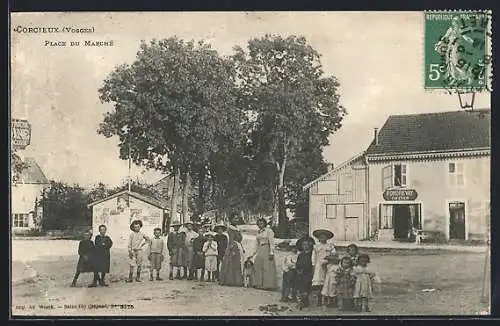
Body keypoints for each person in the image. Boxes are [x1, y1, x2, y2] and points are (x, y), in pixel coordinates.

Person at [251, 218, 277, 291]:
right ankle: (258, 283)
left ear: (265, 224)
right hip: (261, 249)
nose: (260, 225)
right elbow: (256, 244)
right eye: (259, 224)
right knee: (258, 264)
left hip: (267, 248)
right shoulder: (258, 232)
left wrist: (271, 252)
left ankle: (268, 284)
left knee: (267, 266)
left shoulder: (269, 231)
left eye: (262, 223)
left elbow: (272, 242)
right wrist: (253, 253)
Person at [311, 229, 336, 306]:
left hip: (328, 265)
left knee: (328, 282)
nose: (323, 238)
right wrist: (313, 265)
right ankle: (319, 300)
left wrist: (329, 260)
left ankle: (327, 300)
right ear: (318, 238)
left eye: (324, 237)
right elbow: (313, 256)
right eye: (321, 237)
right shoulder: (316, 246)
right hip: (319, 266)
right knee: (319, 283)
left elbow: (334, 255)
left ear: (327, 238)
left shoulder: (330, 246)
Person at [219, 215, 244, 287]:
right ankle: (231, 280)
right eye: (234, 218)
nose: (236, 220)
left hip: (238, 245)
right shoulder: (231, 228)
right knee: (232, 262)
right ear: (231, 220)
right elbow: (231, 239)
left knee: (237, 263)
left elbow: (240, 239)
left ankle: (236, 280)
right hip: (234, 246)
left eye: (237, 218)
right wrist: (231, 249)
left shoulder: (237, 228)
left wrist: (242, 247)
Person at [295, 236, 315, 309]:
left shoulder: (312, 255)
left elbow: (312, 264)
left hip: (308, 273)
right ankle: (302, 301)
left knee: (306, 287)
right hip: (300, 273)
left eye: (307, 244)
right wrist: (298, 270)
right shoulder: (301, 255)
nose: (305, 246)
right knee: (300, 287)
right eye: (303, 245)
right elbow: (297, 264)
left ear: (310, 245)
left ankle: (304, 301)